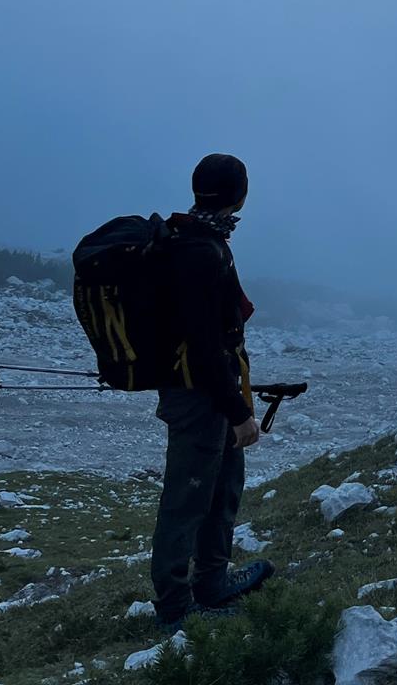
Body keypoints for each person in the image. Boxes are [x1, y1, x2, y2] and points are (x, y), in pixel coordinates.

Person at [150, 152, 274, 626]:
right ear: (239, 196)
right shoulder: (201, 252)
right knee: (187, 498)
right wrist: (238, 413)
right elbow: (203, 346)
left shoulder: (199, 239)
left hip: (208, 390)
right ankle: (175, 610)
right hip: (198, 394)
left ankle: (213, 583)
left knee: (222, 489)